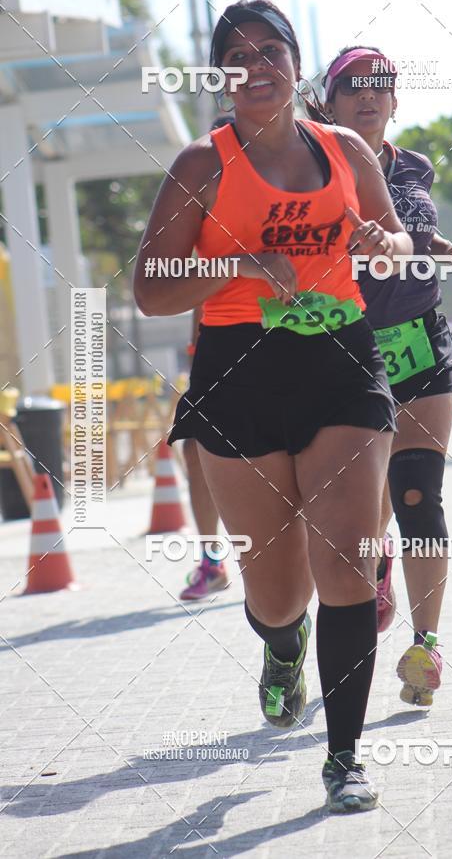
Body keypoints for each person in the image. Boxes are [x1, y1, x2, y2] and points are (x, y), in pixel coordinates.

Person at [134, 0, 414, 812]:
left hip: (340, 364)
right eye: (235, 54)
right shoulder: (202, 164)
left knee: (348, 562)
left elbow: (394, 240)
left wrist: (382, 244)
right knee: (278, 593)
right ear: (219, 75)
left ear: (297, 64)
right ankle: (282, 648)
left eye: (270, 50)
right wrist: (244, 266)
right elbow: (151, 290)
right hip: (239, 379)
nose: (254, 65)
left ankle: (345, 757)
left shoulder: (345, 148)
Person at [307, 45, 452, 707]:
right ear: (331, 99)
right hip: (347, 352)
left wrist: (444, 249)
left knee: (417, 495)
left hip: (420, 346)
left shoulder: (414, 167)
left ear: (396, 101)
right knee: (353, 513)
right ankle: (371, 570)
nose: (369, 95)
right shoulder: (313, 168)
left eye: (381, 85)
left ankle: (425, 647)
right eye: (354, 86)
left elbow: (405, 229)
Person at [179, 116, 234, 601]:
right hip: (213, 345)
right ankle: (211, 558)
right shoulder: (200, 191)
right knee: (193, 449)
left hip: (284, 344)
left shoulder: (291, 182)